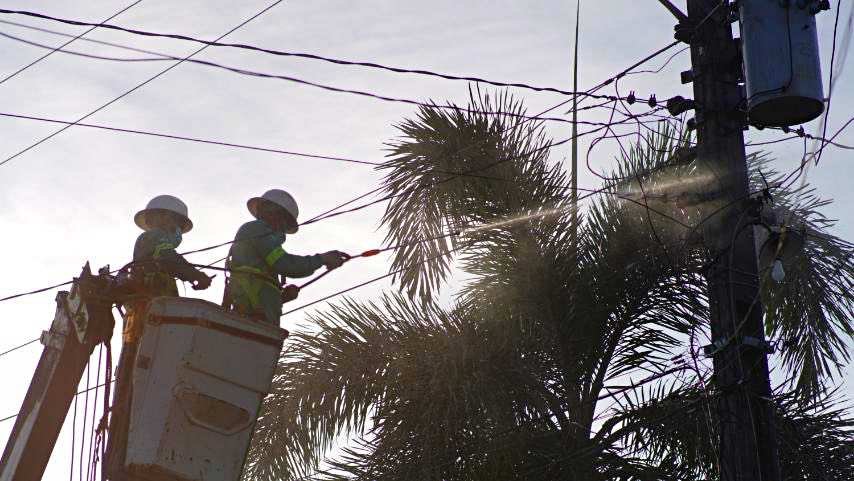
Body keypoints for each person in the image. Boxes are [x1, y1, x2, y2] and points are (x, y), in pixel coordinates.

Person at [106, 194, 211, 479]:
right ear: (158, 220)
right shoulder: (154, 241)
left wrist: (190, 275)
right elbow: (169, 257)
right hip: (145, 320)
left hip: (148, 320)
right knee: (138, 381)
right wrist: (194, 274)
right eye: (172, 222)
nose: (174, 228)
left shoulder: (154, 251)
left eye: (177, 224)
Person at [223, 189, 348, 324]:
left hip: (255, 317)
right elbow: (285, 264)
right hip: (252, 319)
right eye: (284, 220)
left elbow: (260, 284)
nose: (282, 226)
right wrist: (322, 259)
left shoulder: (262, 238)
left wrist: (281, 297)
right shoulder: (257, 229)